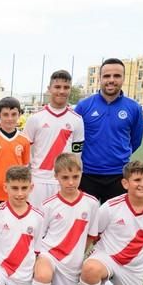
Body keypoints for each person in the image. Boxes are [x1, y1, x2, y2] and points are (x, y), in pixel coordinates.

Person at [29, 153, 99, 285]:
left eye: (75, 177)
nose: (70, 182)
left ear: (81, 175)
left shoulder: (92, 203)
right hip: (49, 254)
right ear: (56, 177)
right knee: (42, 275)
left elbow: (91, 236)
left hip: (72, 264)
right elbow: (38, 238)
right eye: (65, 177)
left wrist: (77, 256)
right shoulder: (48, 205)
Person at [74, 58, 143, 203]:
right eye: (107, 76)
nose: (111, 80)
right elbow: (75, 138)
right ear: (100, 78)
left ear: (123, 78)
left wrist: (118, 156)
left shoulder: (134, 108)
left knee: (116, 223)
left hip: (119, 176)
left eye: (117, 76)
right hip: (86, 175)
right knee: (86, 222)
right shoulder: (84, 106)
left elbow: (136, 140)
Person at [24, 70, 85, 207]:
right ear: (49, 89)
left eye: (66, 87)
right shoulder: (35, 118)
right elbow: (25, 148)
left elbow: (77, 155)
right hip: (38, 180)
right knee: (37, 222)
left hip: (63, 181)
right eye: (57, 87)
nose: (62, 91)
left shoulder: (77, 120)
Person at [0, 97, 30, 210]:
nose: (10, 118)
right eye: (5, 115)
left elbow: (24, 167)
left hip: (14, 193)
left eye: (13, 114)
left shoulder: (24, 140)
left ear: (19, 115)